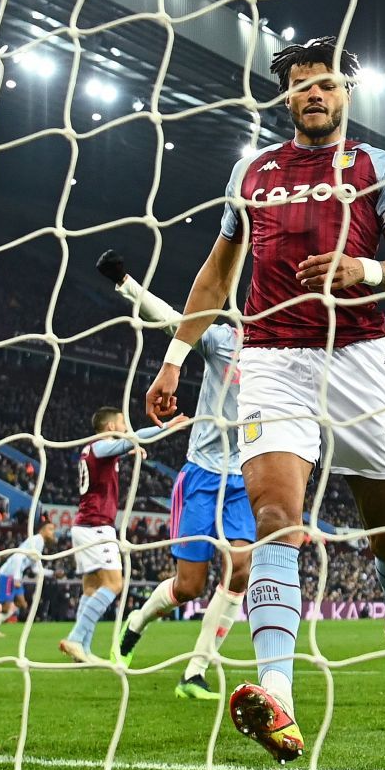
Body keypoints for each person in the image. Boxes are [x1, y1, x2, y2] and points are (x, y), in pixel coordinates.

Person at [144, 36, 385, 764]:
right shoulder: (253, 173)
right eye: (301, 85)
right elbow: (216, 279)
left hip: (360, 357)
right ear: (287, 97)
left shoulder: (380, 168)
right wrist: (175, 357)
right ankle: (277, 691)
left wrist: (362, 269)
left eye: (326, 83)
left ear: (346, 93)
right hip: (272, 358)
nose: (314, 94)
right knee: (277, 522)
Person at [99, 250, 259, 697]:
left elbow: (351, 348)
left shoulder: (283, 354)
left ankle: (196, 670)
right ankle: (136, 622)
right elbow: (174, 321)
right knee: (189, 586)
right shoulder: (222, 339)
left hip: (244, 479)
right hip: (204, 474)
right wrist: (125, 281)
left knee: (241, 570)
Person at [59, 407, 178, 664]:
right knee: (114, 584)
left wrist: (128, 451)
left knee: (92, 587)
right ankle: (76, 638)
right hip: (97, 526)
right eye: (123, 423)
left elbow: (114, 453)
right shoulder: (100, 446)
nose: (126, 427)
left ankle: (84, 650)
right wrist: (167, 427)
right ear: (111, 427)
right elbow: (131, 438)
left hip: (84, 526)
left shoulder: (92, 450)